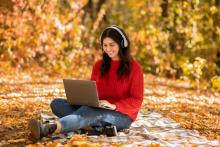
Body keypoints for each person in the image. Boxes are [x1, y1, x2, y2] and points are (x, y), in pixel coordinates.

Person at [29, 25, 144, 140]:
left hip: (122, 115)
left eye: (112, 45)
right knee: (57, 104)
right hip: (98, 107)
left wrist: (114, 106)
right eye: (105, 45)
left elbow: (137, 100)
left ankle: (48, 128)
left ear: (122, 44)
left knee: (87, 112)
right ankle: (96, 128)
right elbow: (93, 91)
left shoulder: (135, 68)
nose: (108, 49)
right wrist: (87, 100)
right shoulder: (99, 65)